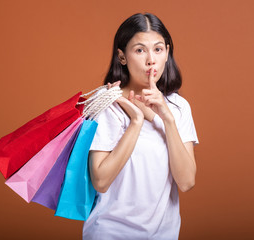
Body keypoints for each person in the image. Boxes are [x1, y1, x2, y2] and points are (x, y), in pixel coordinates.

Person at [82, 13, 199, 240]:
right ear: (122, 57)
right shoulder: (107, 102)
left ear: (167, 52)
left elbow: (186, 181)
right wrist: (136, 121)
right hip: (110, 233)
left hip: (163, 235)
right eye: (139, 50)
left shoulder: (178, 107)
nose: (150, 60)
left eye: (157, 49)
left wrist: (166, 118)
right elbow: (101, 181)